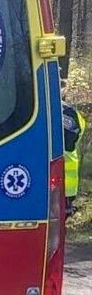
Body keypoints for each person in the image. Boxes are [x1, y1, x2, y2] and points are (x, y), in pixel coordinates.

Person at [61, 79, 85, 215]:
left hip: (62, 184)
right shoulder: (70, 113)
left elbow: (69, 142)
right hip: (65, 187)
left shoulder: (67, 113)